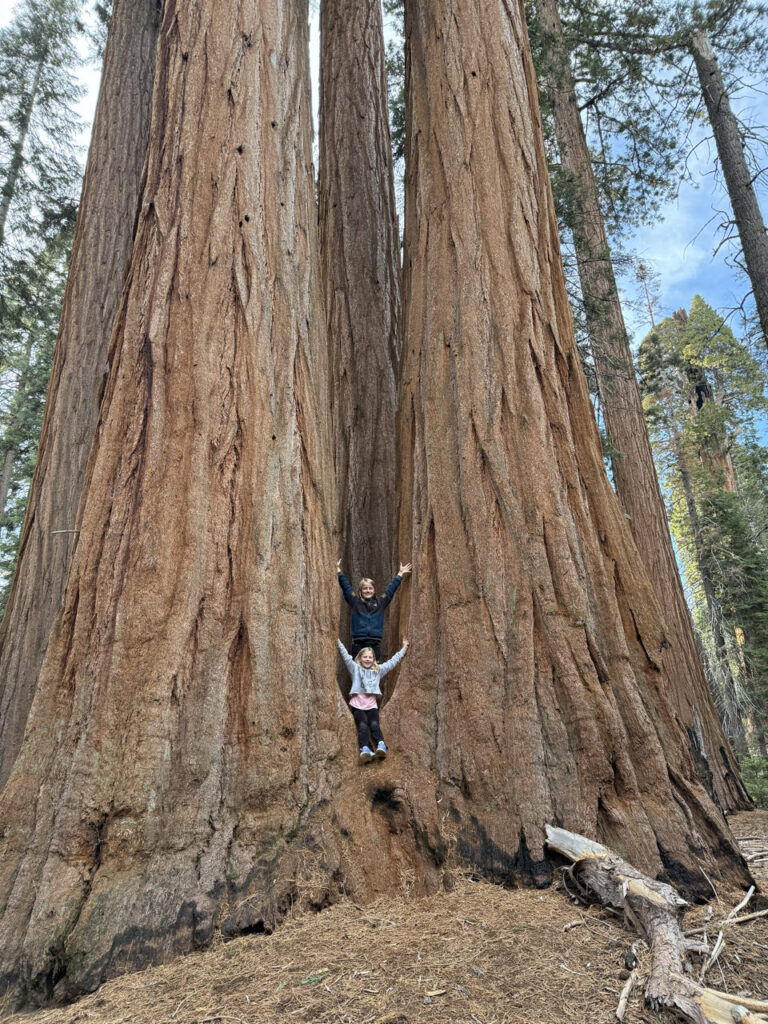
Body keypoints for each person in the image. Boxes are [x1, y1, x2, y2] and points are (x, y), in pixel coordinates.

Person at [338, 637, 409, 763]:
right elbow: (345, 656)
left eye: (370, 657)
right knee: (363, 725)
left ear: (374, 659)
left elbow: (392, 662)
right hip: (357, 706)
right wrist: (337, 641)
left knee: (375, 724)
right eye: (365, 657)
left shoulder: (378, 671)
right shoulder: (355, 669)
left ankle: (380, 744)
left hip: (371, 706)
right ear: (359, 658)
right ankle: (365, 749)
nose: (367, 659)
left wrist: (404, 649)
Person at [337, 558, 411, 659]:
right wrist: (339, 571)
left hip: (374, 644)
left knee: (375, 670)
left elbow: (390, 590)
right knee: (357, 670)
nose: (368, 591)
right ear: (361, 591)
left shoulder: (380, 603)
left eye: (370, 588)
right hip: (358, 644)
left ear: (374, 590)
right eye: (365, 588)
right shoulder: (355, 602)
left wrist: (400, 574)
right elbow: (346, 588)